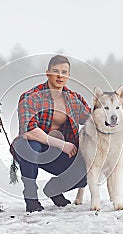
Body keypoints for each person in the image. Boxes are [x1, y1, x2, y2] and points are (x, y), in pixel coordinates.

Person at [11, 55, 91, 212]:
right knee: (28, 145)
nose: (60, 75)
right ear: (47, 73)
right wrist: (63, 144)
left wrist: (113, 111)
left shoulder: (75, 100)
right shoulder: (31, 96)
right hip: (34, 147)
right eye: (56, 71)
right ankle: (31, 197)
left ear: (68, 75)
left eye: (64, 72)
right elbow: (29, 131)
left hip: (58, 153)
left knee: (86, 175)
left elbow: (95, 120)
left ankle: (54, 189)